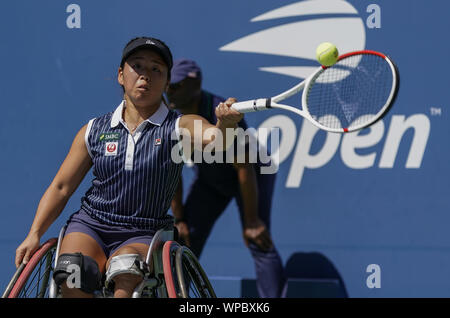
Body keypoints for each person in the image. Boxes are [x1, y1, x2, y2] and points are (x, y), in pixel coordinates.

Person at [14, 37, 243, 298]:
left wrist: (226, 124)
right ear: (121, 75)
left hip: (144, 231)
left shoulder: (180, 126)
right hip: (91, 225)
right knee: (73, 272)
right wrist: (34, 234)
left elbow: (215, 139)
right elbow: (61, 187)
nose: (145, 75)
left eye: (156, 69)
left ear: (167, 82)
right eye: (137, 66)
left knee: (126, 273)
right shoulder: (94, 130)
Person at [167, 59, 287, 298]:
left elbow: (244, 168)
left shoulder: (225, 114)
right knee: (184, 238)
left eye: (175, 86)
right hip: (211, 179)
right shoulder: (171, 120)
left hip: (252, 174)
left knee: (258, 239)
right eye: (167, 86)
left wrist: (252, 220)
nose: (168, 91)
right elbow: (173, 174)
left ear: (196, 83)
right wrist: (179, 218)